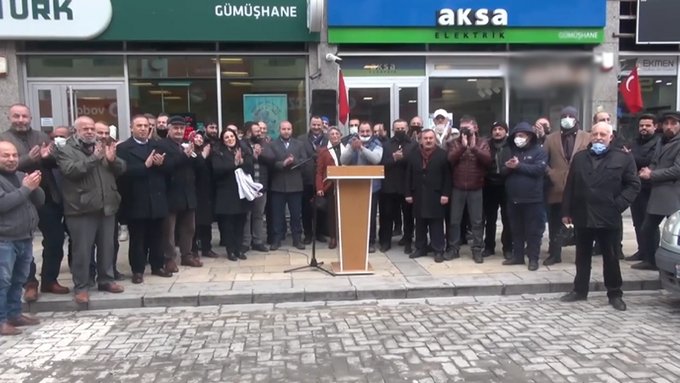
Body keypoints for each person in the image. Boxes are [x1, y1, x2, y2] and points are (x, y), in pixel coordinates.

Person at [560, 122, 640, 311]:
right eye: (595, 133)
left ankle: (614, 293)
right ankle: (579, 290)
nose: (598, 137)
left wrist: (618, 205)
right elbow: (570, 186)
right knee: (582, 256)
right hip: (583, 214)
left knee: (611, 257)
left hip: (608, 216)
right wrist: (566, 212)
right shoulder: (580, 158)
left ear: (610, 137)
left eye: (603, 134)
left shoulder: (623, 158)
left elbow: (634, 185)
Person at [55, 116, 126, 304]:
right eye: (85, 128)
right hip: (81, 208)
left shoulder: (103, 146)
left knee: (107, 247)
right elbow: (71, 171)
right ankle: (81, 287)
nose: (89, 132)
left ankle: (106, 280)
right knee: (82, 251)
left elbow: (121, 169)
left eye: (92, 128)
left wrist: (112, 160)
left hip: (106, 206)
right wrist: (95, 158)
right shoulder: (65, 150)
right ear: (75, 131)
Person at [0, 104, 65, 302]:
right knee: (24, 242)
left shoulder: (41, 137)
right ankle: (30, 283)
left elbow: (57, 162)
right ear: (10, 117)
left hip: (44, 195)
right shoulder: (4, 139)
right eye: (16, 116)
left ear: (30, 118)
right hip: (17, 198)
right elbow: (8, 165)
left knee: (55, 238)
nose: (21, 120)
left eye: (24, 116)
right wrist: (29, 159)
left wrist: (48, 157)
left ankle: (49, 279)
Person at [117, 115, 174, 284]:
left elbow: (170, 169)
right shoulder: (124, 148)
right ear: (132, 127)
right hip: (136, 199)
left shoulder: (157, 145)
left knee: (157, 236)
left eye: (146, 126)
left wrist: (162, 164)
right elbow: (122, 172)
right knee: (138, 239)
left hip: (157, 198)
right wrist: (145, 166)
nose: (143, 128)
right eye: (139, 125)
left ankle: (157, 265)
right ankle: (137, 270)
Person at [0, 140, 44, 335]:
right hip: (4, 240)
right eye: (5, 156)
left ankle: (14, 314)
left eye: (14, 155)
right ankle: (1, 321)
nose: (11, 159)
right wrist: (26, 189)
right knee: (3, 282)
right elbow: (3, 205)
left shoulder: (19, 176)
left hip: (24, 237)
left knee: (18, 280)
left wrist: (35, 188)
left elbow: (40, 201)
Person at [633, 111, 680, 270]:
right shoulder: (662, 141)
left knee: (675, 230)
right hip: (659, 192)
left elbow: (677, 170)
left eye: (673, 123)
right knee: (647, 227)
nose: (669, 127)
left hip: (674, 194)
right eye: (666, 123)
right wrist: (647, 171)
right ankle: (651, 260)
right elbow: (655, 161)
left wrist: (652, 174)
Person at [543, 106, 590, 266]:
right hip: (556, 188)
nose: (567, 118)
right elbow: (543, 160)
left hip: (579, 188)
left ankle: (582, 254)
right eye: (564, 116)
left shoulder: (587, 137)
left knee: (581, 223)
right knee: (555, 223)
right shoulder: (551, 138)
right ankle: (554, 253)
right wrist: (551, 173)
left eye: (570, 116)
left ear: (577, 118)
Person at [501, 122, 548, 271]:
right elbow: (502, 171)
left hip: (533, 200)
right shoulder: (511, 151)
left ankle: (533, 259)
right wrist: (508, 167)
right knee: (516, 229)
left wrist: (519, 166)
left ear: (529, 137)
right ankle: (518, 256)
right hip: (513, 199)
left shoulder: (539, 151)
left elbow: (539, 169)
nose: (518, 138)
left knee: (533, 231)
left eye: (521, 136)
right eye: (516, 136)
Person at [446, 115, 492, 263]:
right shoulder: (454, 143)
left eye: (468, 127)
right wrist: (463, 146)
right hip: (458, 186)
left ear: (476, 128)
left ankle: (477, 249)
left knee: (477, 221)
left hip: (476, 186)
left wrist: (473, 148)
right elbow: (450, 159)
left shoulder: (482, 142)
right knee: (454, 220)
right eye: (462, 128)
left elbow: (487, 160)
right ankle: (453, 249)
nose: (464, 130)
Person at [160, 116, 202, 269]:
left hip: (188, 193)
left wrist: (196, 151)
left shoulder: (186, 146)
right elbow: (166, 166)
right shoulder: (162, 145)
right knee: (169, 230)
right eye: (175, 128)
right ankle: (169, 258)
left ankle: (187, 255)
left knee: (189, 227)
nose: (178, 131)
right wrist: (184, 156)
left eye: (181, 128)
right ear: (169, 129)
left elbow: (199, 166)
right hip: (171, 193)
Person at [405, 129, 451, 262]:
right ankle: (420, 248)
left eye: (431, 138)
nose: (428, 141)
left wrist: (445, 194)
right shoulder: (413, 155)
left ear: (435, 139)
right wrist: (408, 193)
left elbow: (448, 177)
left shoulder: (443, 155)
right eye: (426, 138)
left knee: (436, 224)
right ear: (421, 140)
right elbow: (408, 175)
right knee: (420, 223)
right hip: (418, 194)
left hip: (436, 195)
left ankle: (438, 250)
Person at [262, 121, 307, 251]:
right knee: (277, 214)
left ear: (292, 130)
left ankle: (297, 239)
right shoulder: (272, 145)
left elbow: (305, 161)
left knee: (295, 214)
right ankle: (277, 239)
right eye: (283, 129)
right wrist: (283, 163)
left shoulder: (299, 144)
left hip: (295, 185)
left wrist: (294, 161)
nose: (286, 131)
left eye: (288, 129)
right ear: (279, 130)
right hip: (278, 185)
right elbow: (270, 163)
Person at [341, 121, 383, 253]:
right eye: (362, 131)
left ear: (371, 132)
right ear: (358, 132)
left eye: (367, 131)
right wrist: (353, 148)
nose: (364, 134)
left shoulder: (376, 143)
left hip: (371, 186)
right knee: (354, 216)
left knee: (370, 216)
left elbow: (376, 159)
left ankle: (370, 242)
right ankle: (355, 240)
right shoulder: (351, 142)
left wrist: (362, 148)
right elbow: (343, 160)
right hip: (353, 186)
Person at [212, 129, 254, 261]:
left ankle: (239, 249)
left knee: (240, 223)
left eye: (232, 136)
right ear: (223, 140)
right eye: (226, 137)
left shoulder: (243, 150)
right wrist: (234, 164)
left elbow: (250, 167)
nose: (230, 139)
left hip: (241, 192)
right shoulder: (218, 152)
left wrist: (242, 162)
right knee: (228, 224)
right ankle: (230, 250)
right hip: (226, 193)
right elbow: (217, 170)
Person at [626, 113, 662, 262]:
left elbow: (650, 160)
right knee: (638, 222)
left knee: (649, 224)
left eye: (647, 125)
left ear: (655, 126)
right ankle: (642, 251)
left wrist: (630, 156)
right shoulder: (635, 142)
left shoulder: (658, 142)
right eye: (641, 126)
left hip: (650, 189)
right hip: (636, 188)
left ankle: (651, 256)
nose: (644, 128)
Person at [379, 119, 416, 254]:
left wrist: (404, 158)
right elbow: (381, 164)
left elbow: (416, 163)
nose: (400, 131)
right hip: (389, 186)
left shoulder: (413, 145)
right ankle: (385, 242)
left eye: (402, 128)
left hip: (407, 186)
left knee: (408, 216)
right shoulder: (386, 145)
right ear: (393, 129)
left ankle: (408, 241)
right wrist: (394, 158)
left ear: (406, 129)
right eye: (397, 128)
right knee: (386, 215)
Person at [483, 121, 512, 259]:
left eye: (500, 129)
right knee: (490, 219)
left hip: (506, 185)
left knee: (507, 219)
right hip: (490, 185)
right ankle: (489, 246)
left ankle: (508, 248)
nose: (497, 132)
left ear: (506, 131)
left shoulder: (512, 145)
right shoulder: (486, 145)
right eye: (495, 129)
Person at [298, 116, 328, 245]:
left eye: (318, 125)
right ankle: (308, 234)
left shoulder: (328, 139)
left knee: (322, 207)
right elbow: (299, 158)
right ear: (310, 125)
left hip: (323, 180)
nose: (316, 127)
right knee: (306, 209)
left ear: (322, 125)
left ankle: (320, 232)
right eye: (314, 125)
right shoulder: (301, 139)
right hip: (307, 179)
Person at [315, 127, 346, 249]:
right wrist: (319, 187)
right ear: (328, 136)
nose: (334, 136)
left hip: (346, 185)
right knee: (332, 213)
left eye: (336, 133)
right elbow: (319, 171)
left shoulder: (347, 149)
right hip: (330, 185)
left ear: (340, 135)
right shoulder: (323, 151)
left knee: (344, 212)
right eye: (332, 134)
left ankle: (344, 236)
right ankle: (333, 237)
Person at [242, 122, 270, 253]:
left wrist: (261, 154)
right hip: (247, 187)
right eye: (256, 131)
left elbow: (272, 158)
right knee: (246, 216)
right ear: (248, 132)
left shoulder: (265, 143)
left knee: (258, 215)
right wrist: (253, 156)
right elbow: (241, 163)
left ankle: (258, 241)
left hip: (261, 186)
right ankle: (245, 242)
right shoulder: (242, 144)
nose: (259, 133)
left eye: (260, 130)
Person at [190, 131, 217, 259]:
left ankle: (207, 247)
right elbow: (195, 167)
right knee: (194, 223)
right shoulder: (190, 152)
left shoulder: (208, 152)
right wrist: (203, 156)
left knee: (207, 222)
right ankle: (193, 249)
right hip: (194, 191)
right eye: (197, 137)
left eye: (201, 137)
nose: (199, 139)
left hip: (206, 191)